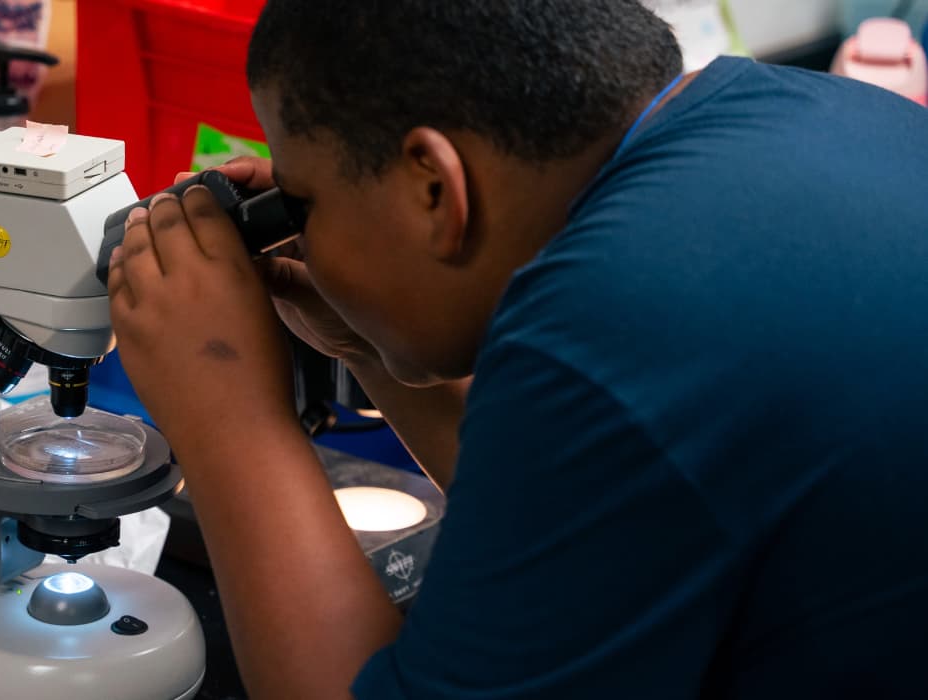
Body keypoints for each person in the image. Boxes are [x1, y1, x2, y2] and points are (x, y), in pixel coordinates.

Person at [103, 1, 928, 698]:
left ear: (434, 186)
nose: (303, 245)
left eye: (306, 203)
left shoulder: (624, 312)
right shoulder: (819, 113)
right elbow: (594, 507)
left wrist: (227, 412)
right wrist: (362, 341)